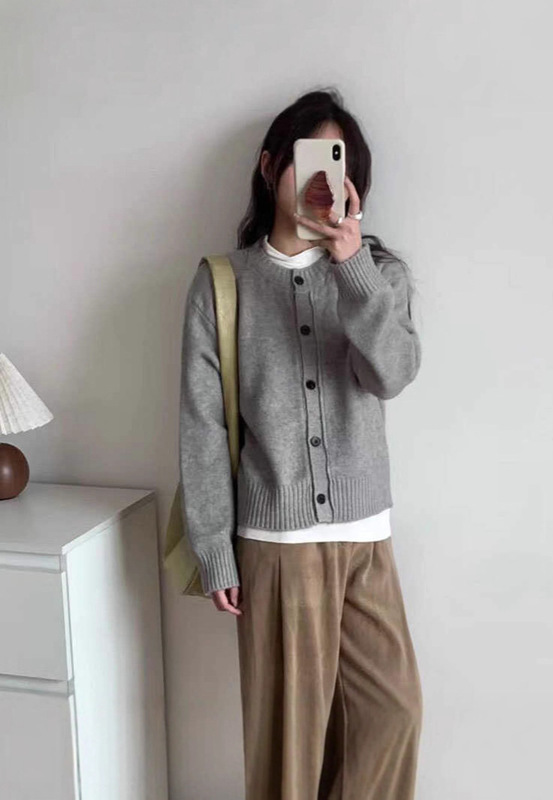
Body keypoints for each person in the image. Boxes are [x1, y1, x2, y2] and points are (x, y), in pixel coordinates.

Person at [179, 87, 423, 800]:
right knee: (290, 751)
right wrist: (214, 547)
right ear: (269, 168)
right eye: (307, 159)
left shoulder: (378, 275)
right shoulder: (223, 284)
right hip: (276, 546)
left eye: (336, 162)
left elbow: (393, 374)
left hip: (366, 540)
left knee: (393, 716)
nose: (322, 178)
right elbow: (201, 426)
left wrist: (351, 267)